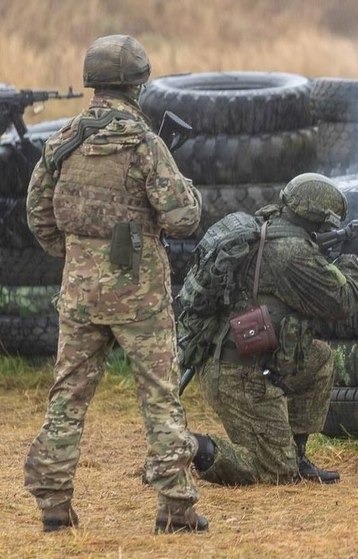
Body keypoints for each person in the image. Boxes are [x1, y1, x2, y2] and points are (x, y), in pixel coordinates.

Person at [23, 34, 207, 533]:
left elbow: (38, 215)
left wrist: (79, 254)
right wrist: (185, 188)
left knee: (67, 398)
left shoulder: (62, 141)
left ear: (93, 82)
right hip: (140, 295)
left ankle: (54, 506)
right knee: (160, 397)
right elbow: (182, 216)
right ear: (138, 85)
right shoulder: (146, 143)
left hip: (80, 294)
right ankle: (176, 507)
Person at [181, 173, 358, 486]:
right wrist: (351, 260)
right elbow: (344, 301)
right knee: (274, 471)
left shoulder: (265, 226)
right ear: (318, 218)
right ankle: (192, 446)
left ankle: (297, 453)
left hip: (231, 357)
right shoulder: (294, 253)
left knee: (318, 358)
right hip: (240, 374)